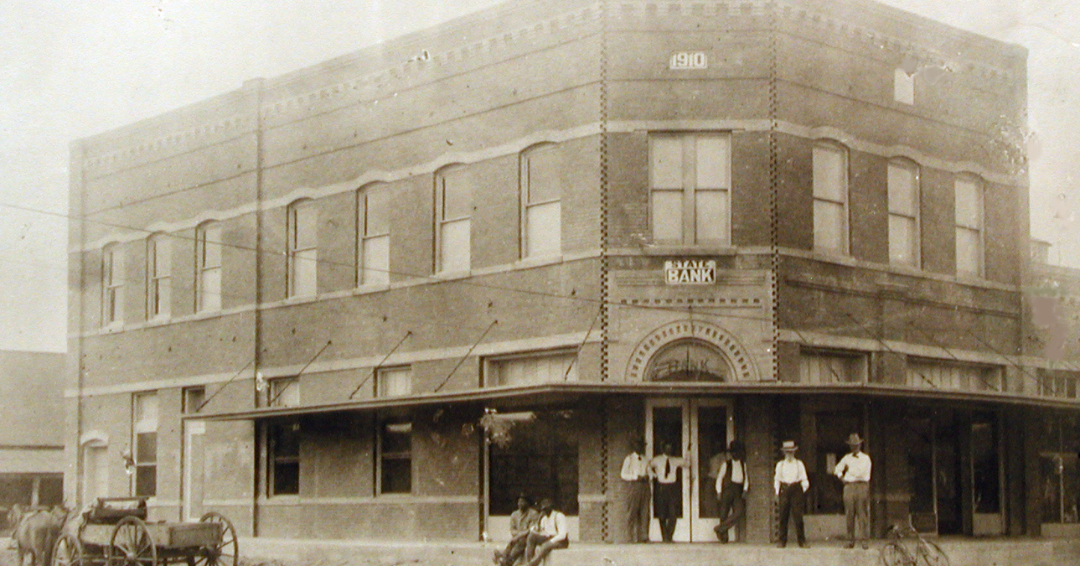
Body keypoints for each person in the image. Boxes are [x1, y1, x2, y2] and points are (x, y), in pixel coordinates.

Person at [835, 433, 872, 549]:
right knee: (849, 514)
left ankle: (864, 540)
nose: (854, 447)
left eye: (856, 445)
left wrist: (851, 475)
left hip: (861, 485)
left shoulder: (866, 458)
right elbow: (837, 469)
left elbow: (861, 473)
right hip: (849, 486)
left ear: (860, 445)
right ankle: (850, 540)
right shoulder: (847, 458)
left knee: (862, 514)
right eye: (852, 445)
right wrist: (843, 478)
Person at [649, 442, 692, 542]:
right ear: (663, 449)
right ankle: (665, 536)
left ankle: (669, 536)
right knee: (662, 513)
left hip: (672, 487)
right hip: (661, 487)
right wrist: (653, 475)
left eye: (671, 448)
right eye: (667, 448)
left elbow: (687, 464)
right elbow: (648, 466)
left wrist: (688, 451)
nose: (669, 450)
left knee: (673, 513)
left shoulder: (675, 460)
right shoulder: (657, 460)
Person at [773, 440, 809, 548]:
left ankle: (802, 541)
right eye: (787, 452)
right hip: (784, 489)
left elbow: (804, 479)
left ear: (794, 452)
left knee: (798, 517)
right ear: (784, 453)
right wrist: (777, 492)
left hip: (796, 489)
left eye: (791, 452)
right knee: (783, 516)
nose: (789, 454)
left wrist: (801, 490)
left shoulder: (799, 464)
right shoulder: (780, 465)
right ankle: (782, 541)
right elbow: (777, 479)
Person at [713, 439, 748, 543]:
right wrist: (718, 491)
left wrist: (745, 489)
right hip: (728, 490)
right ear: (731, 453)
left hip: (738, 490)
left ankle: (719, 528)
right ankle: (724, 537)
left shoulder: (743, 464)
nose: (735, 454)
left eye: (737, 452)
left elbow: (746, 478)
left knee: (739, 512)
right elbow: (719, 478)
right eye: (733, 452)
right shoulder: (726, 464)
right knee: (724, 513)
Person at [620, 438, 651, 543]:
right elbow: (623, 474)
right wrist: (634, 477)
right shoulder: (629, 459)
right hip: (634, 486)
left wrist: (649, 476)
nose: (641, 448)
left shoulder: (645, 459)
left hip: (645, 486)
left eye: (642, 446)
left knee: (645, 511)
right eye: (639, 445)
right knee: (632, 511)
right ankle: (630, 537)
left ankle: (644, 536)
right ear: (634, 447)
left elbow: (650, 472)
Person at [493, 494, 539, 566]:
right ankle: (505, 558)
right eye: (519, 502)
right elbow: (512, 530)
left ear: (528, 503)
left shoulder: (533, 513)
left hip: (528, 537)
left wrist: (519, 535)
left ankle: (506, 560)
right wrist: (517, 535)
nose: (520, 504)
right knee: (513, 541)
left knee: (521, 541)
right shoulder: (515, 514)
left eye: (522, 502)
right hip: (517, 538)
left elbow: (532, 529)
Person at [523, 498, 568, 566]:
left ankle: (533, 564)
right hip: (548, 538)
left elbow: (562, 535)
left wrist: (550, 541)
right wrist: (538, 521)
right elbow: (540, 531)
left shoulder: (559, 516)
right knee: (531, 537)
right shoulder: (544, 519)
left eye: (546, 509)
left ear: (551, 508)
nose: (544, 511)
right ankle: (529, 560)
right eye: (543, 509)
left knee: (545, 546)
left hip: (560, 541)